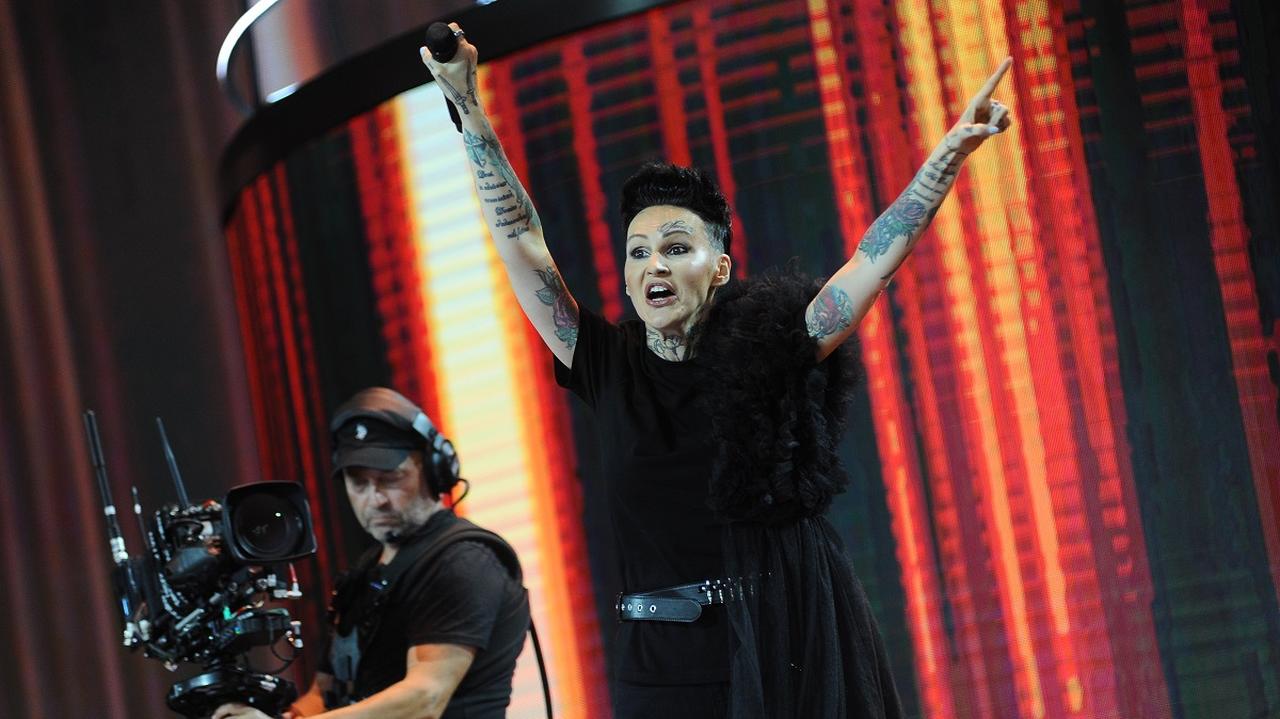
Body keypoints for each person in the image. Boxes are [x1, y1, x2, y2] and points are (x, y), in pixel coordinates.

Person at [421, 23, 1012, 718]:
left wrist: (948, 156)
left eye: (677, 247)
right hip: (655, 668)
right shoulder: (605, 362)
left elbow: (871, 262)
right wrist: (468, 106)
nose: (654, 265)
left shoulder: (768, 351)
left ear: (721, 267)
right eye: (639, 252)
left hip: (773, 648)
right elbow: (522, 241)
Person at [213, 387, 531, 719]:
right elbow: (324, 695)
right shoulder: (363, 574)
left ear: (434, 469)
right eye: (359, 483)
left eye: (390, 479)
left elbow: (425, 699)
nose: (375, 499)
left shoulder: (464, 563)